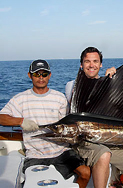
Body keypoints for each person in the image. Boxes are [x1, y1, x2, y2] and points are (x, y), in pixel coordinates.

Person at [65, 47, 123, 188]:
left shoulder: (108, 84)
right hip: (84, 141)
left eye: (95, 61)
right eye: (87, 62)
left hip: (109, 140)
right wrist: (106, 82)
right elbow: (85, 100)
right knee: (104, 154)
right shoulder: (72, 85)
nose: (91, 65)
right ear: (81, 65)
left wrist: (115, 81)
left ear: (101, 65)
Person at [0, 59, 90, 188]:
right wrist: (20, 121)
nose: (41, 78)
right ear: (29, 75)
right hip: (35, 154)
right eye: (37, 74)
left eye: (44, 74)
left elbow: (69, 124)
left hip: (62, 151)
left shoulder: (59, 98)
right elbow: (1, 117)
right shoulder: (20, 99)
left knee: (86, 173)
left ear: (50, 75)